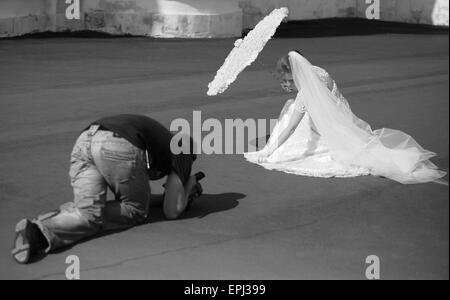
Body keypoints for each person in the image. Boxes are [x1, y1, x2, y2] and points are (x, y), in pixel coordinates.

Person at [12, 114, 203, 264]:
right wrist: (189, 183)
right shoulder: (184, 152)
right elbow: (172, 211)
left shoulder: (159, 139)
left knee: (87, 214)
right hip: (118, 145)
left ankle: (37, 230)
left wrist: (163, 198)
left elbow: (159, 198)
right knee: (135, 211)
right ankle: (56, 222)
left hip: (86, 139)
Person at [245, 51, 447, 184]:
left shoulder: (303, 95)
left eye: (289, 80)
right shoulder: (320, 73)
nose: (288, 84)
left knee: (291, 111)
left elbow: (290, 127)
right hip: (344, 117)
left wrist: (270, 150)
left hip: (329, 127)